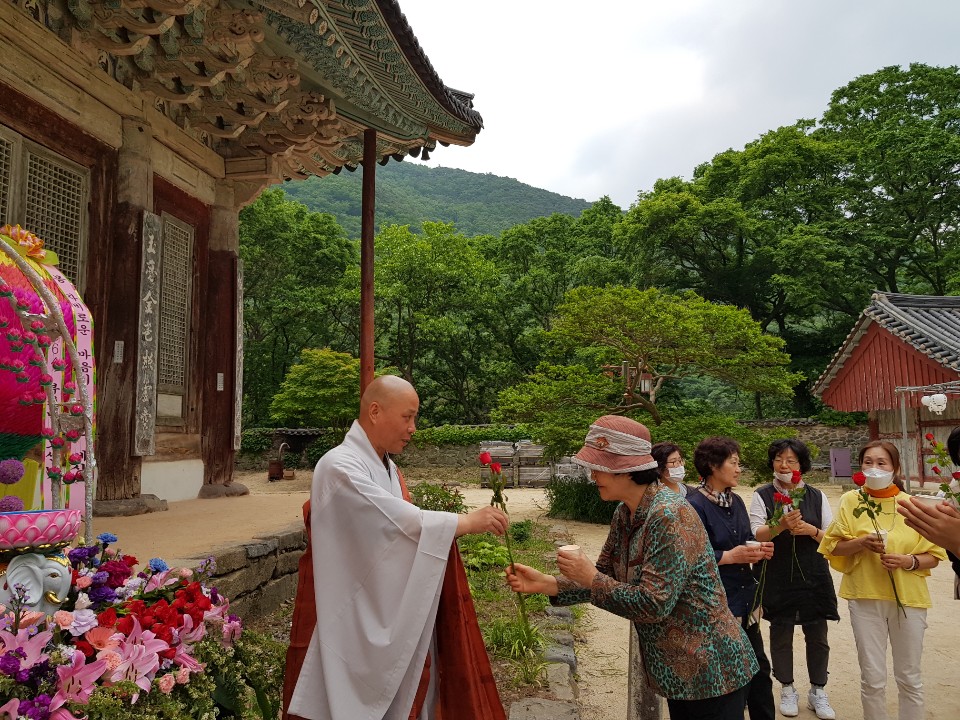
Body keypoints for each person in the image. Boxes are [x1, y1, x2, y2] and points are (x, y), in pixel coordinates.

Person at [284, 375, 509, 720]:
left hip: (380, 603)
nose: (413, 428)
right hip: (345, 611)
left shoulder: (387, 467)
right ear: (375, 411)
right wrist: (463, 522)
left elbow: (394, 533)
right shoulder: (338, 465)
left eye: (414, 418)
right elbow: (396, 521)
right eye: (407, 417)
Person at [505, 416, 757, 720]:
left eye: (599, 467)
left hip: (711, 668)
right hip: (680, 671)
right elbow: (607, 576)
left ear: (627, 469)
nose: (593, 475)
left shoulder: (669, 515)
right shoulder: (625, 513)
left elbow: (654, 604)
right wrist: (549, 584)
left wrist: (591, 578)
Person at [820, 440, 946, 720]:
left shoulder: (912, 505)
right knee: (872, 678)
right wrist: (861, 543)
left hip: (909, 599)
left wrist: (908, 561)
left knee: (910, 677)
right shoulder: (851, 501)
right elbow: (833, 547)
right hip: (865, 597)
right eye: (868, 462)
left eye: (881, 463)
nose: (874, 468)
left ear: (895, 468)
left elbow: (934, 555)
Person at [686, 436, 776, 720]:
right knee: (731, 676)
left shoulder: (735, 500)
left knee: (759, 670)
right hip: (717, 603)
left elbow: (745, 538)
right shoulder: (693, 505)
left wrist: (758, 550)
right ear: (713, 466)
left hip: (745, 599)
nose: (739, 469)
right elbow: (686, 557)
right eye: (733, 463)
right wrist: (729, 556)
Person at [748, 439, 839, 720]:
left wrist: (811, 530)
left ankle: (818, 690)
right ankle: (787, 687)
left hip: (813, 572)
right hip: (777, 572)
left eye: (791, 460)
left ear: (802, 465)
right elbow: (756, 532)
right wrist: (780, 525)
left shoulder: (816, 496)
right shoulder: (762, 495)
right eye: (778, 459)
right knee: (781, 632)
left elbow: (831, 537)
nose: (784, 465)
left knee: (817, 633)